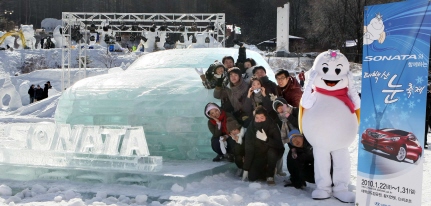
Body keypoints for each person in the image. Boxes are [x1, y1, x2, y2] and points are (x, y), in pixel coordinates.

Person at [242, 106, 285, 185]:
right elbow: (249, 149)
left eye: (262, 118)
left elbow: (279, 145)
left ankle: (270, 175)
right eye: (257, 118)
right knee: (252, 177)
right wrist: (246, 168)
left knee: (272, 153)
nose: (259, 120)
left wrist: (266, 139)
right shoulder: (251, 128)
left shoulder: (272, 125)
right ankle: (265, 168)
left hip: (273, 152)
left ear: (266, 117)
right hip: (259, 154)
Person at [272, 97, 300, 176]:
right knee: (291, 161)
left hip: (303, 141)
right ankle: (295, 180)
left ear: (286, 105)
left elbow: (298, 124)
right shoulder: (280, 120)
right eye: (277, 108)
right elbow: (286, 135)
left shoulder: (295, 111)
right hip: (292, 144)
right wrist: (292, 148)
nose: (280, 108)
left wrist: (288, 115)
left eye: (281, 105)